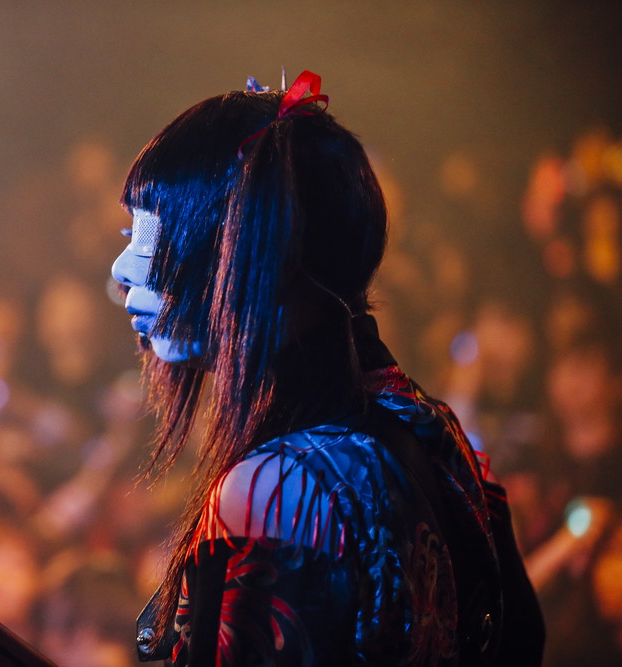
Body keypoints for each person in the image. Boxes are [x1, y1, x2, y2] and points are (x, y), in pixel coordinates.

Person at [109, 71, 544, 665]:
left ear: (254, 242)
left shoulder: (276, 489)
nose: (121, 267)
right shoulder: (433, 431)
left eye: (148, 230)